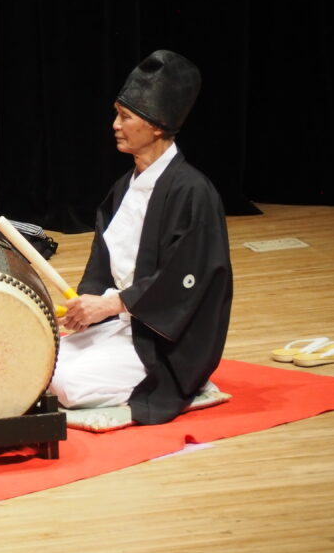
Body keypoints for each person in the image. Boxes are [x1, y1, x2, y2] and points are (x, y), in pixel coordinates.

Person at [50, 49, 233, 425]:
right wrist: (85, 311)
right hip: (119, 325)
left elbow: (185, 284)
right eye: (117, 114)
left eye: (125, 116)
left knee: (66, 383)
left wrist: (110, 306)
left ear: (158, 127)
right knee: (35, 361)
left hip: (163, 343)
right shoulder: (124, 188)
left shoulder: (193, 192)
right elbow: (103, 268)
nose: (115, 124)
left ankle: (183, 386)